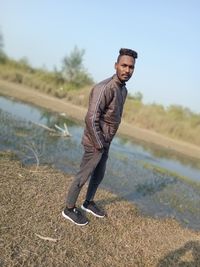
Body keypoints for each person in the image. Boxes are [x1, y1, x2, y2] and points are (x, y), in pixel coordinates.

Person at [62, 48, 138, 225]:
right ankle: (69, 209)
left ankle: (88, 202)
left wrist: (105, 143)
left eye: (131, 67)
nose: (127, 70)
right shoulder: (105, 88)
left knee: (99, 173)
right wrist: (98, 144)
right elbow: (91, 118)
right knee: (84, 174)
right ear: (116, 65)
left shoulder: (122, 90)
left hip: (105, 142)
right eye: (124, 65)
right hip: (95, 141)